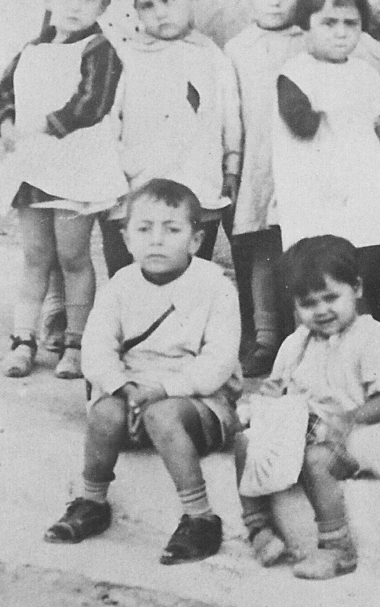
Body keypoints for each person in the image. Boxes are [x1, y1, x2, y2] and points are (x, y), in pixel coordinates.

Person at [43, 180, 241, 565]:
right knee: (102, 411)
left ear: (196, 240)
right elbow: (97, 349)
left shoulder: (215, 287)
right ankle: (92, 502)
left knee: (161, 413)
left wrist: (163, 389)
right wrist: (122, 385)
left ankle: (200, 517)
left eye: (172, 229)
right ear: (127, 238)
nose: (157, 241)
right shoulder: (121, 285)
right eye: (144, 229)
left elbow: (217, 362)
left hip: (196, 406)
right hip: (132, 398)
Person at [236, 235, 380, 579]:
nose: (321, 311)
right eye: (308, 303)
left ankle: (337, 548)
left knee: (317, 459)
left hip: (363, 432)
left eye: (332, 297)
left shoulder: (374, 337)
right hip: (307, 428)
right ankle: (259, 528)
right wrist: (257, 411)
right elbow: (275, 388)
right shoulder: (295, 343)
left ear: (357, 289)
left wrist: (347, 420)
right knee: (244, 441)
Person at [0, 0, 125, 381]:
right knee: (35, 254)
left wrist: (47, 125)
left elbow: (92, 102)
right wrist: (8, 124)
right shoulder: (33, 48)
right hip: (32, 164)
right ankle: (23, 338)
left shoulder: (100, 49)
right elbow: (4, 91)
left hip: (74, 167)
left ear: (103, 4)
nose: (74, 6)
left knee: (72, 255)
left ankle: (76, 341)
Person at [273, 0, 380, 328]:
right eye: (328, 23)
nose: (341, 33)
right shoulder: (296, 73)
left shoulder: (366, 73)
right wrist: (323, 103)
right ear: (305, 25)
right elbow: (302, 126)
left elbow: (375, 124)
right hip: (319, 187)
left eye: (350, 24)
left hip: (365, 184)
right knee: (322, 268)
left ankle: (377, 346)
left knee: (370, 266)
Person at [103, 0, 242, 274]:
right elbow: (112, 117)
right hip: (139, 184)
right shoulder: (127, 57)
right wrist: (114, 171)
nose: (160, 13)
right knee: (130, 274)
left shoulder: (211, 56)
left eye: (168, 0)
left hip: (198, 182)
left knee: (191, 273)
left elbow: (229, 115)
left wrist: (231, 166)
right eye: (147, 6)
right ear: (135, 9)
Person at [225, 0, 307, 377]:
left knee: (300, 250)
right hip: (259, 161)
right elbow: (231, 112)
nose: (275, 1)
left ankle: (304, 338)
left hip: (303, 162)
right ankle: (265, 338)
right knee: (261, 250)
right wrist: (233, 166)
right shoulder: (238, 49)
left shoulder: (310, 42)